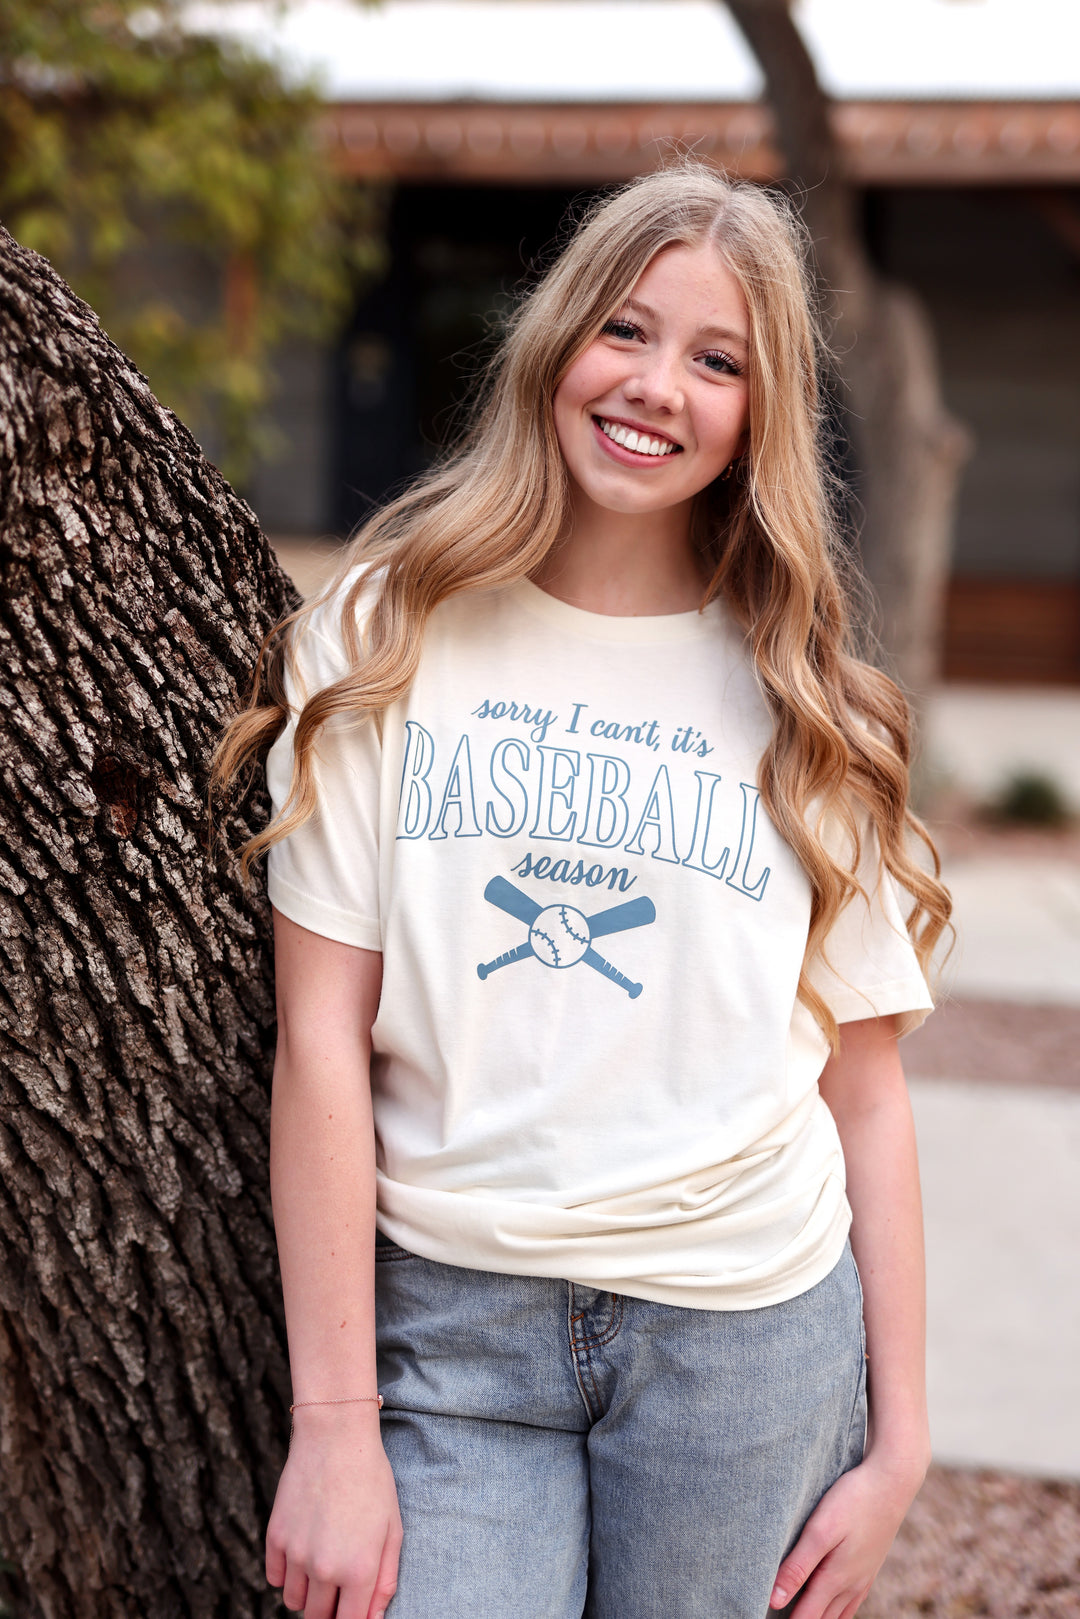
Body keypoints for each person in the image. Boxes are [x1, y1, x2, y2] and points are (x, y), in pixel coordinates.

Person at [214, 161, 951, 1619]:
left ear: (759, 415)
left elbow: (865, 1093)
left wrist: (905, 1444)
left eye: (716, 359)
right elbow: (319, 1043)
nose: (657, 385)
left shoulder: (813, 703)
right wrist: (335, 1430)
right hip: (454, 1328)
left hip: (745, 1340)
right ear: (555, 344)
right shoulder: (386, 636)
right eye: (626, 329)